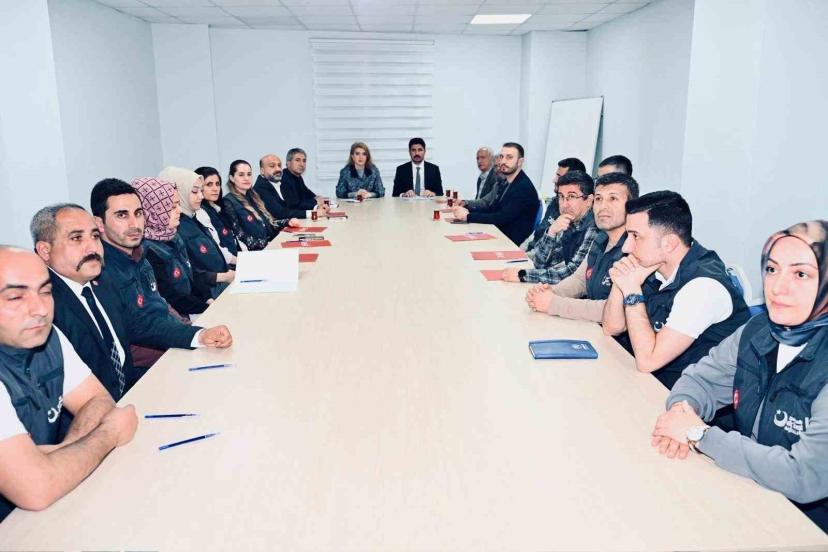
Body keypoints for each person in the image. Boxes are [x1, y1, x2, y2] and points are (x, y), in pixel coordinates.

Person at [652, 220, 828, 530]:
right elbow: (699, 380)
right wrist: (682, 413)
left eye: (801, 274)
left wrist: (700, 435)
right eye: (772, 269)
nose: (778, 287)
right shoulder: (758, 330)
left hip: (808, 525)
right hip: (749, 491)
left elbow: (805, 476)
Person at [0, 246, 137, 521]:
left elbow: (98, 400)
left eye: (45, 291)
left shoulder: (47, 336)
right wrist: (109, 433)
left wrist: (57, 456)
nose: (40, 309)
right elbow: (36, 489)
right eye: (15, 297)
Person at [601, 191, 750, 389]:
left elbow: (648, 361)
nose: (626, 247)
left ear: (669, 243)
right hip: (654, 382)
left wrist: (631, 291)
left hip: (691, 399)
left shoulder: (703, 287)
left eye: (635, 236)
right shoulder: (653, 265)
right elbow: (611, 328)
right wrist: (621, 282)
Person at [91, 179, 233, 370]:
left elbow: (161, 304)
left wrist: (191, 330)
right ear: (99, 223)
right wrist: (195, 336)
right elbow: (139, 328)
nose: (134, 224)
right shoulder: (101, 271)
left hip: (171, 341)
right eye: (122, 215)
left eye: (138, 213)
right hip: (153, 363)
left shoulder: (139, 254)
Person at [526, 172, 639, 322]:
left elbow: (616, 311)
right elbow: (579, 281)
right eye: (599, 199)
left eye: (613, 198)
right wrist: (549, 292)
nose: (603, 206)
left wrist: (554, 303)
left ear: (631, 206)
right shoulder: (600, 239)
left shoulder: (635, 248)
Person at [132, 177, 211, 317]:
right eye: (173, 207)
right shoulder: (146, 250)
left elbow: (190, 275)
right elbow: (171, 297)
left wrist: (207, 299)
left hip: (195, 308)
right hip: (180, 318)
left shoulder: (172, 236)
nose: (179, 210)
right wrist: (205, 308)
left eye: (179, 204)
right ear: (153, 210)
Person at [503, 170, 598, 284]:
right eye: (561, 197)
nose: (564, 204)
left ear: (589, 201)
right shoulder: (568, 220)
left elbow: (572, 274)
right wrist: (551, 232)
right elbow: (539, 263)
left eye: (571, 196)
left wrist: (523, 275)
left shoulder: (594, 227)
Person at [160, 167, 234, 298]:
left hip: (219, 282)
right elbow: (191, 272)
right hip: (209, 291)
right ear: (179, 192)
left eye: (200, 190)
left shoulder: (192, 217)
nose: (201, 196)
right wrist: (223, 277)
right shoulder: (177, 227)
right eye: (194, 191)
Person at [451, 142, 538, 246]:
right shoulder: (506, 182)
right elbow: (492, 208)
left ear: (520, 162)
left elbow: (501, 217)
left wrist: (468, 216)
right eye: (502, 157)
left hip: (509, 244)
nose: (503, 161)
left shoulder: (523, 187)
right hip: (498, 235)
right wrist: (467, 210)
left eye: (509, 157)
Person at [222, 160, 300, 251]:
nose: (246, 178)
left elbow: (269, 225)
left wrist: (287, 222)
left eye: (249, 174)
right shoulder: (228, 202)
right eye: (241, 175)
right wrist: (267, 244)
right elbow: (239, 237)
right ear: (232, 178)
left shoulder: (253, 197)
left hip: (269, 247)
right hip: (255, 253)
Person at [526, 157, 588, 250]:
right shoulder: (555, 201)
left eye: (559, 176)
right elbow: (538, 233)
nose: (554, 180)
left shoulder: (577, 214)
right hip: (533, 249)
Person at [195, 166, 245, 261]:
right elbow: (217, 249)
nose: (215, 189)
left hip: (238, 258)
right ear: (199, 187)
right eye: (209, 184)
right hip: (228, 265)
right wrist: (241, 261)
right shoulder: (200, 213)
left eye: (217, 184)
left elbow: (235, 238)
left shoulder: (219, 208)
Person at [253, 154, 322, 220]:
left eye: (279, 165)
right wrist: (313, 213)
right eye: (272, 166)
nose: (278, 169)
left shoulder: (280, 183)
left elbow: (292, 205)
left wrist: (316, 207)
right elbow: (280, 213)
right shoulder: (261, 188)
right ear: (262, 171)